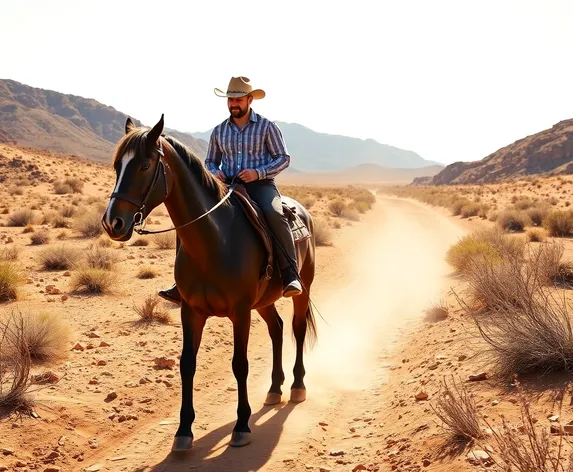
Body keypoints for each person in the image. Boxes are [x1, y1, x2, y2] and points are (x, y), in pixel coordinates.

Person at [158, 76, 302, 304]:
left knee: (274, 213)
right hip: (227, 187)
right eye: (230, 99)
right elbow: (210, 161)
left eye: (239, 99)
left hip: (260, 185)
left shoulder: (267, 127)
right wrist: (215, 172)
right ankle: (181, 283)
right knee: (190, 218)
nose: (233, 103)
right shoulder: (219, 131)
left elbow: (283, 158)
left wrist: (259, 173)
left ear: (250, 99)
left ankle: (290, 275)